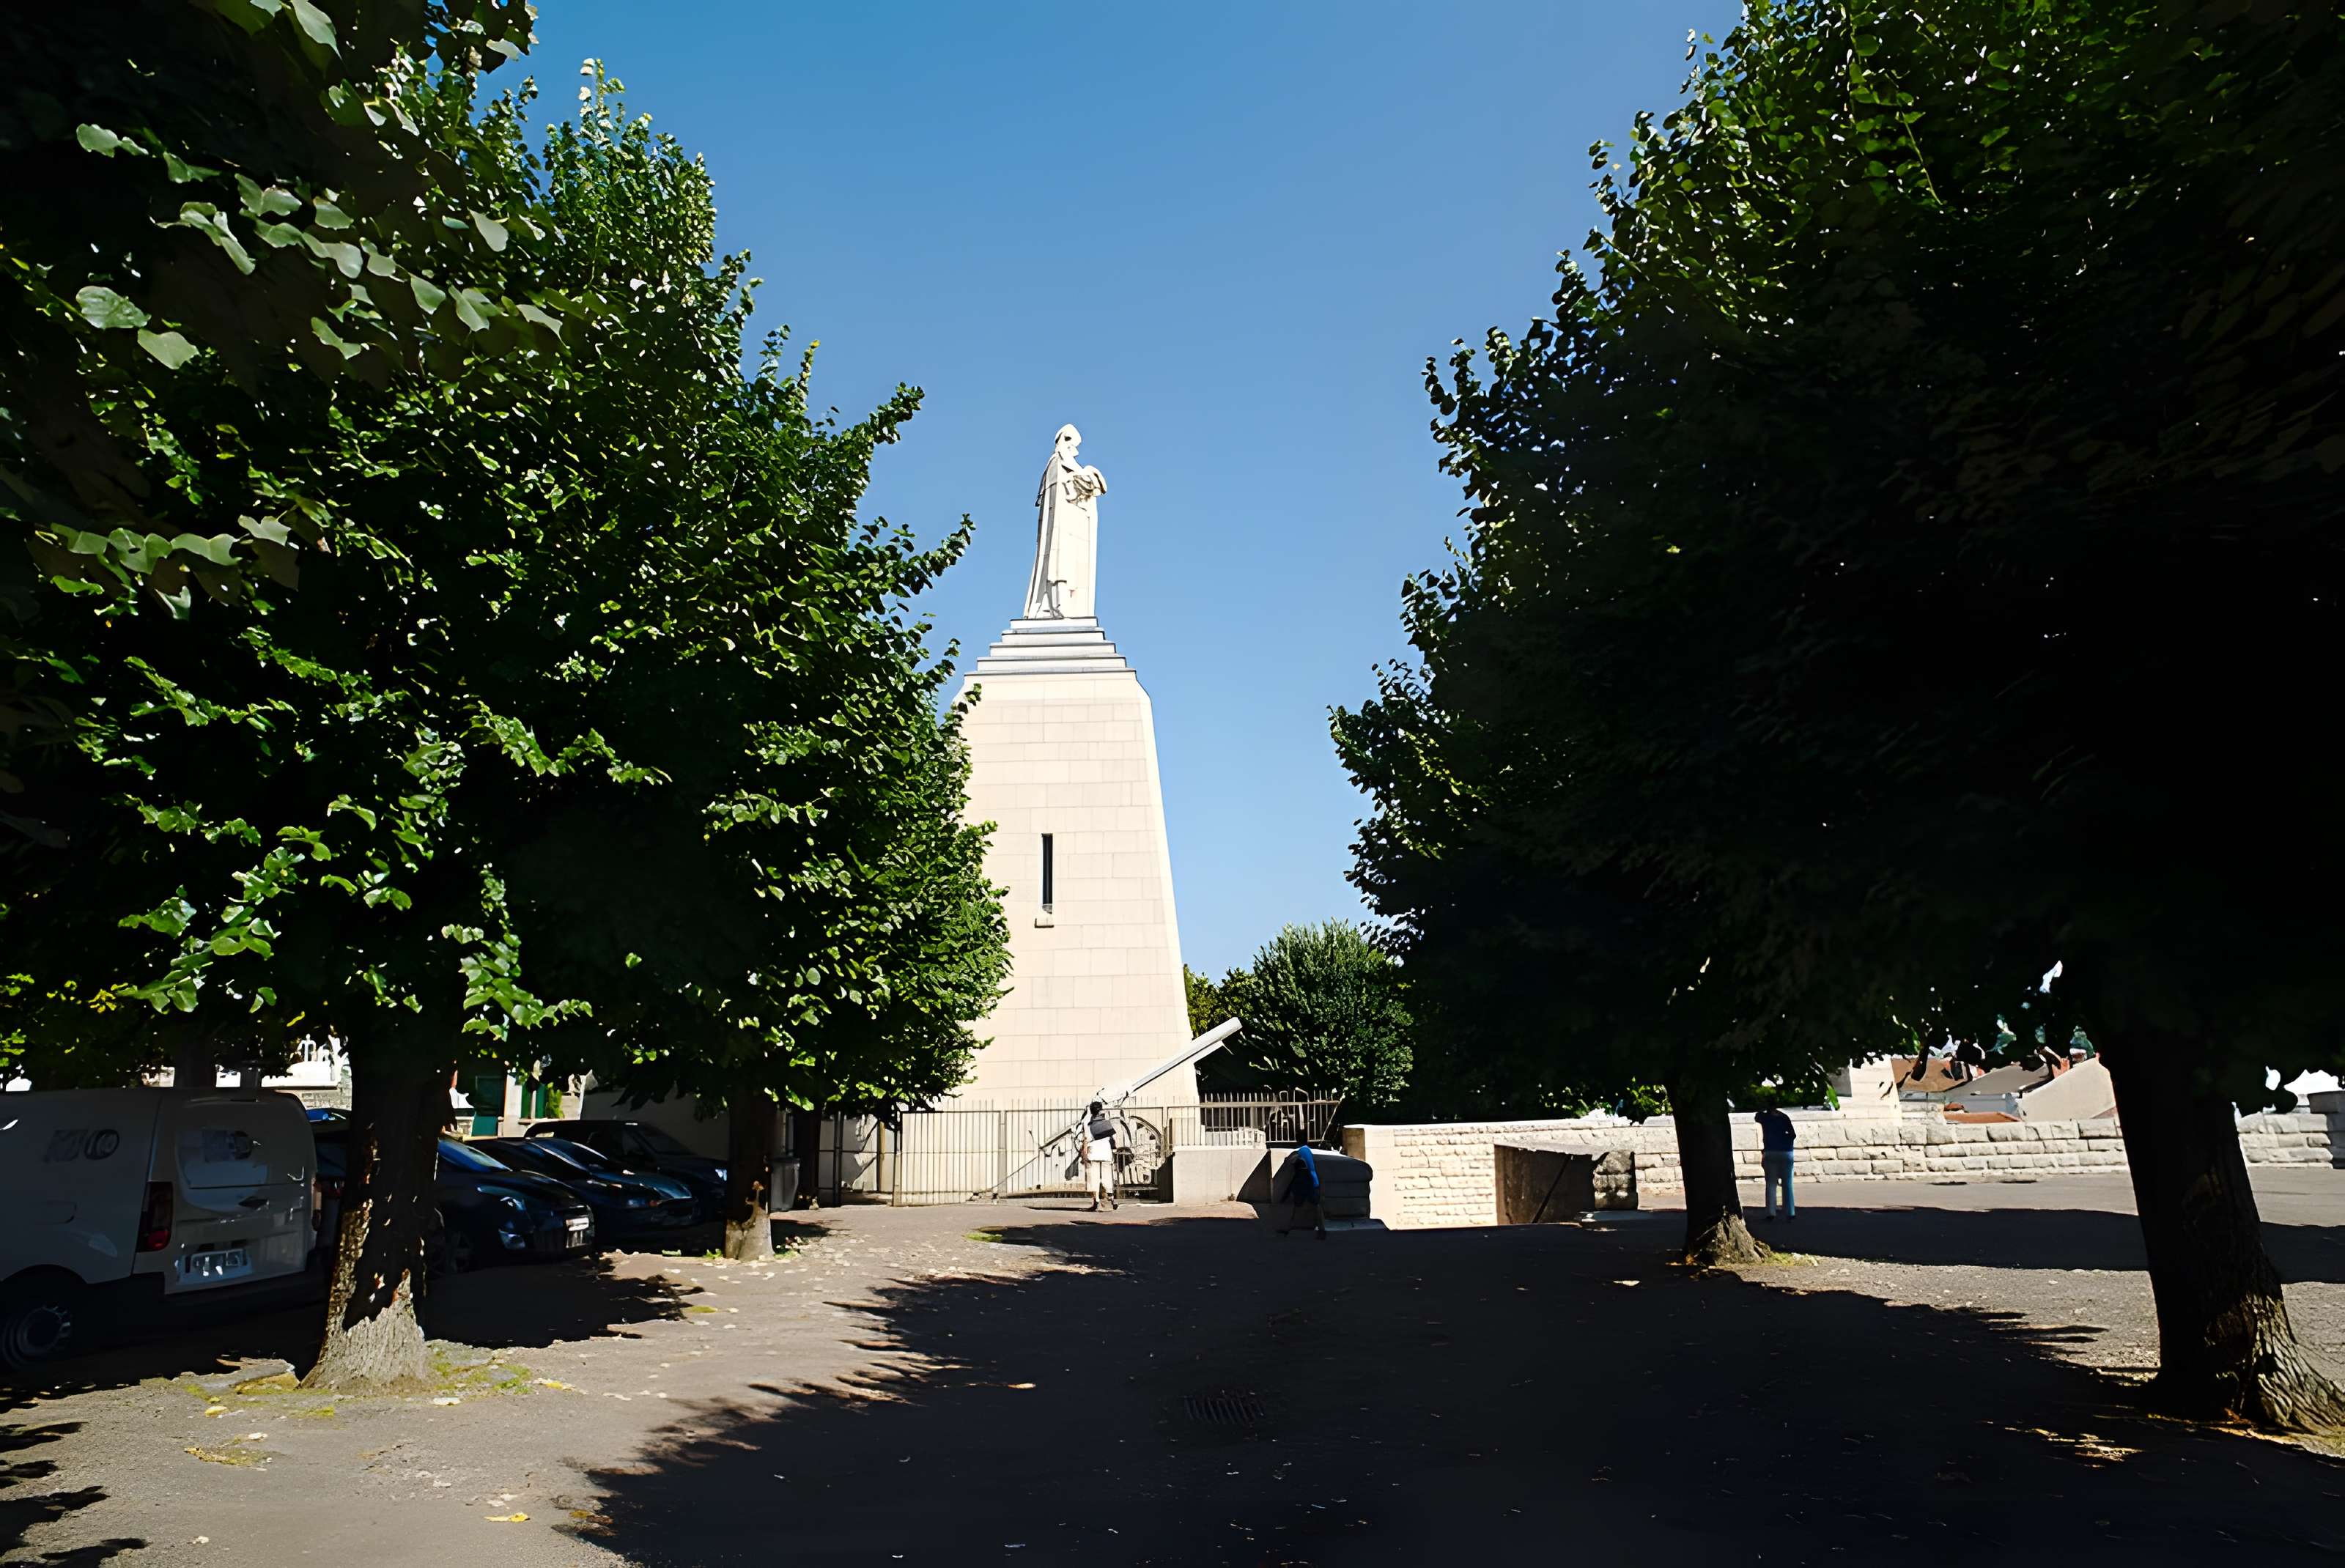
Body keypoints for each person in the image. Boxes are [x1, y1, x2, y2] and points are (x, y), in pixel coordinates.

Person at [1276, 1142, 1326, 1239]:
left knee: (1295, 1207)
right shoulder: (1307, 1154)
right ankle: (1321, 1230)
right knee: (1316, 1207)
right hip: (1312, 1183)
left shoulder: (1298, 1155)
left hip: (1304, 1182)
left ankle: (1288, 1227)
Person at [1079, 1100, 1123, 1212]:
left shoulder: (1088, 1125)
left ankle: (1096, 1202)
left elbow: (1087, 1140)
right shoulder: (1107, 1123)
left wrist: (1084, 1153)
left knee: (1094, 1178)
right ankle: (1111, 1200)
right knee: (1107, 1176)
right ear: (1101, 1110)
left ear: (1091, 1111)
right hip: (1105, 1151)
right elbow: (1113, 1140)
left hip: (1094, 1152)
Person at [1755, 1106, 1797, 1221]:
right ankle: (1790, 1212)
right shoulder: (1784, 1117)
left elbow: (1757, 1116)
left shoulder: (1764, 1117)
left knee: (1771, 1183)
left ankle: (1771, 1212)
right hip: (1786, 1152)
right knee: (1787, 1183)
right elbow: (1793, 1135)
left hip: (1770, 1152)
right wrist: (1785, 1141)